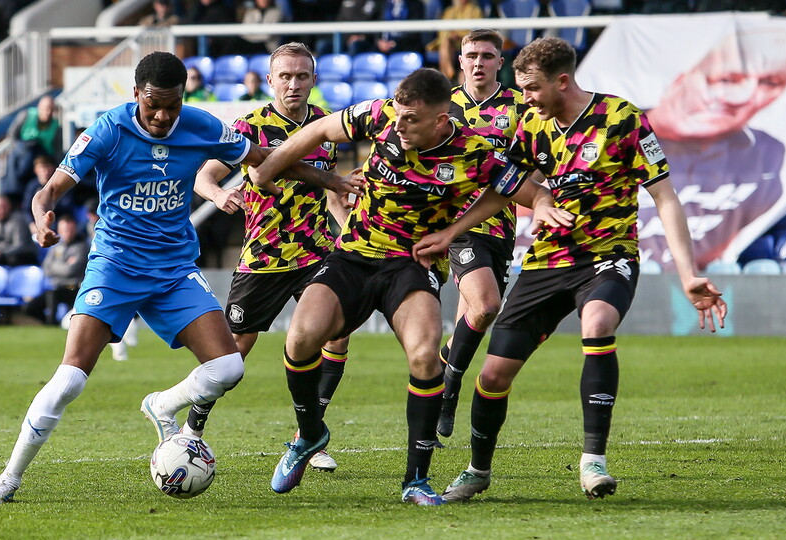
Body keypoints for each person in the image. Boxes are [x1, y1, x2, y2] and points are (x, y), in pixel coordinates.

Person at [0, 51, 360, 505]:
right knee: (70, 380)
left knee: (228, 368)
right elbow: (49, 191)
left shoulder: (201, 125)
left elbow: (266, 158)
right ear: (136, 94)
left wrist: (332, 182)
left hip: (175, 269)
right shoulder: (107, 130)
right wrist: (41, 218)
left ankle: (162, 404)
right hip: (115, 266)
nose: (162, 116)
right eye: (152, 105)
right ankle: (8, 478)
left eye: (172, 106)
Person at [426, 37, 728, 503]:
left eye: (532, 89)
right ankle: (477, 470)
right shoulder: (532, 125)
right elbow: (505, 188)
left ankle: (593, 461)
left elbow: (664, 197)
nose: (525, 99)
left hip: (608, 255)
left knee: (598, 323)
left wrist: (688, 274)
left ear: (562, 81)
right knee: (493, 377)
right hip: (547, 260)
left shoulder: (621, 118)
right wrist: (452, 232)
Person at [250, 67, 571, 505]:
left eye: (411, 120)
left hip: (411, 265)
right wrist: (267, 169)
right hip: (354, 255)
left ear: (440, 120)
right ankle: (309, 435)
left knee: (424, 356)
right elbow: (320, 129)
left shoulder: (475, 153)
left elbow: (527, 192)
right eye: (398, 116)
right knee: (301, 337)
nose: (398, 126)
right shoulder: (381, 114)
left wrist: (458, 229)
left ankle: (415, 480)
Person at [193, 42, 354, 472]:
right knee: (233, 353)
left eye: (302, 76)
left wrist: (347, 230)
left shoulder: (326, 125)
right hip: (264, 256)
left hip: (316, 252)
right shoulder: (249, 127)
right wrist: (219, 195)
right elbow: (204, 176)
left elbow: (330, 191)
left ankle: (309, 435)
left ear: (314, 80)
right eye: (285, 76)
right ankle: (192, 428)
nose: (293, 84)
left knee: (337, 334)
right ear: (270, 81)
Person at [643, 28, 786, 269]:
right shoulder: (615, 137)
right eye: (727, 80)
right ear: (680, 79)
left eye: (769, 83)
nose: (742, 97)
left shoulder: (769, 154)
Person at [436, 29, 528, 438]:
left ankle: (443, 367)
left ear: (500, 63)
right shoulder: (443, 105)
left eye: (487, 56)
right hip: (457, 225)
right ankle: (450, 389)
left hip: (502, 225)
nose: (478, 63)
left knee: (473, 315)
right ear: (460, 61)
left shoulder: (520, 106)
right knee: (488, 304)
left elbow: (536, 159)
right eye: (471, 55)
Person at [24, 213, 87, 325]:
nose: (68, 233)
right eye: (65, 230)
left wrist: (56, 267)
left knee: (52, 294)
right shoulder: (56, 246)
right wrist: (64, 266)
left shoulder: (81, 247)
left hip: (73, 289)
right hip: (56, 287)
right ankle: (51, 324)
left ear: (75, 229)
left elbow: (70, 271)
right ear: (59, 230)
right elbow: (46, 267)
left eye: (70, 229)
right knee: (29, 308)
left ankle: (51, 323)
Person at [1, 94, 62, 201]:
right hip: (23, 149)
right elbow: (12, 135)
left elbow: (57, 148)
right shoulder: (26, 115)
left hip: (42, 153)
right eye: (46, 108)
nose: (48, 112)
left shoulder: (56, 125)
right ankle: (13, 190)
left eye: (51, 109)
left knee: (41, 166)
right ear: (39, 107)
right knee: (20, 160)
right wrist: (21, 147)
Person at [426, 0, 483, 82]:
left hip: (467, 42)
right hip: (451, 43)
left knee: (446, 45)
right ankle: (449, 71)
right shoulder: (449, 11)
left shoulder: (476, 11)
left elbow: (476, 31)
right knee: (446, 43)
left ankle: (447, 77)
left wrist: (459, 35)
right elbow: (443, 31)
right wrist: (451, 35)